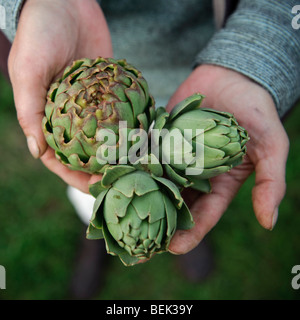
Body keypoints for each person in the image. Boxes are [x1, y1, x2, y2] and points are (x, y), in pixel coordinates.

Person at [0, 0, 298, 298]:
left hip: (206, 63)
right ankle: (97, 232)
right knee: (84, 190)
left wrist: (261, 52)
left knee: (184, 201)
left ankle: (170, 213)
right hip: (74, 44)